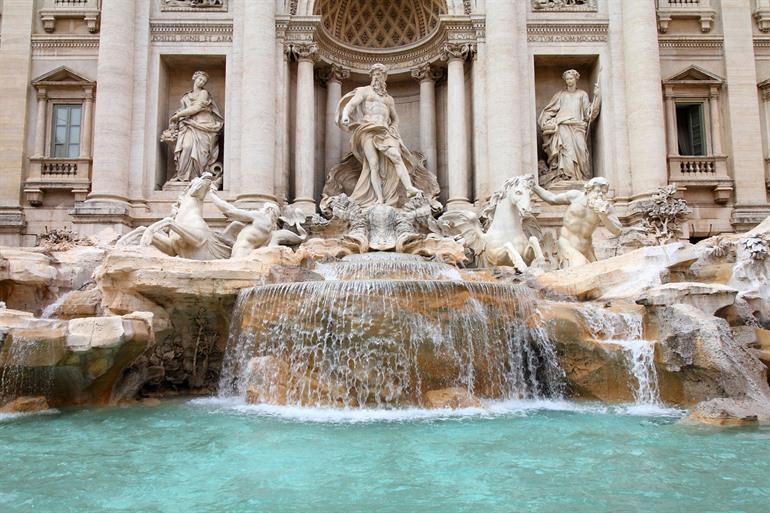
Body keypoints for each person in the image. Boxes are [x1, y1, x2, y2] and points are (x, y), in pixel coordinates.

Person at [336, 63, 423, 207]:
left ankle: (409, 188)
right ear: (371, 76)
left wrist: (393, 128)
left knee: (396, 156)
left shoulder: (389, 99)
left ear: (384, 78)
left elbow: (395, 118)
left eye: (380, 74)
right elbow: (351, 105)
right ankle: (379, 199)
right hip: (368, 129)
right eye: (375, 74)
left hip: (384, 131)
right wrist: (345, 115)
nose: (377, 77)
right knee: (373, 165)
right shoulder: (364, 91)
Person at [532, 176, 621, 268]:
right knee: (580, 266)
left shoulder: (607, 208)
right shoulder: (575, 196)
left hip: (586, 249)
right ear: (589, 189)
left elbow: (617, 231)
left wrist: (603, 216)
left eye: (603, 192)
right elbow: (552, 199)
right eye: (598, 191)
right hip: (566, 243)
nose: (600, 195)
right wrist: (534, 187)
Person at [538, 69, 600, 183]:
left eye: (571, 78)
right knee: (567, 151)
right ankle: (567, 176)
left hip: (578, 126)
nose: (569, 81)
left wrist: (597, 98)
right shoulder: (560, 95)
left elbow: (589, 114)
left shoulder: (582, 94)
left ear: (576, 79)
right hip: (563, 125)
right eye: (567, 79)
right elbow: (549, 110)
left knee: (582, 149)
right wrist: (546, 121)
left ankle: (581, 177)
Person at [167, 71, 224, 182]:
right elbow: (183, 110)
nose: (201, 82)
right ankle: (182, 176)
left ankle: (197, 176)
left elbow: (196, 108)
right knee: (187, 146)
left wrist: (178, 115)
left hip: (204, 125)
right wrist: (178, 117)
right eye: (200, 79)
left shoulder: (204, 93)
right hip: (189, 125)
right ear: (194, 78)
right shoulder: (186, 97)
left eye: (204, 81)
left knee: (201, 153)